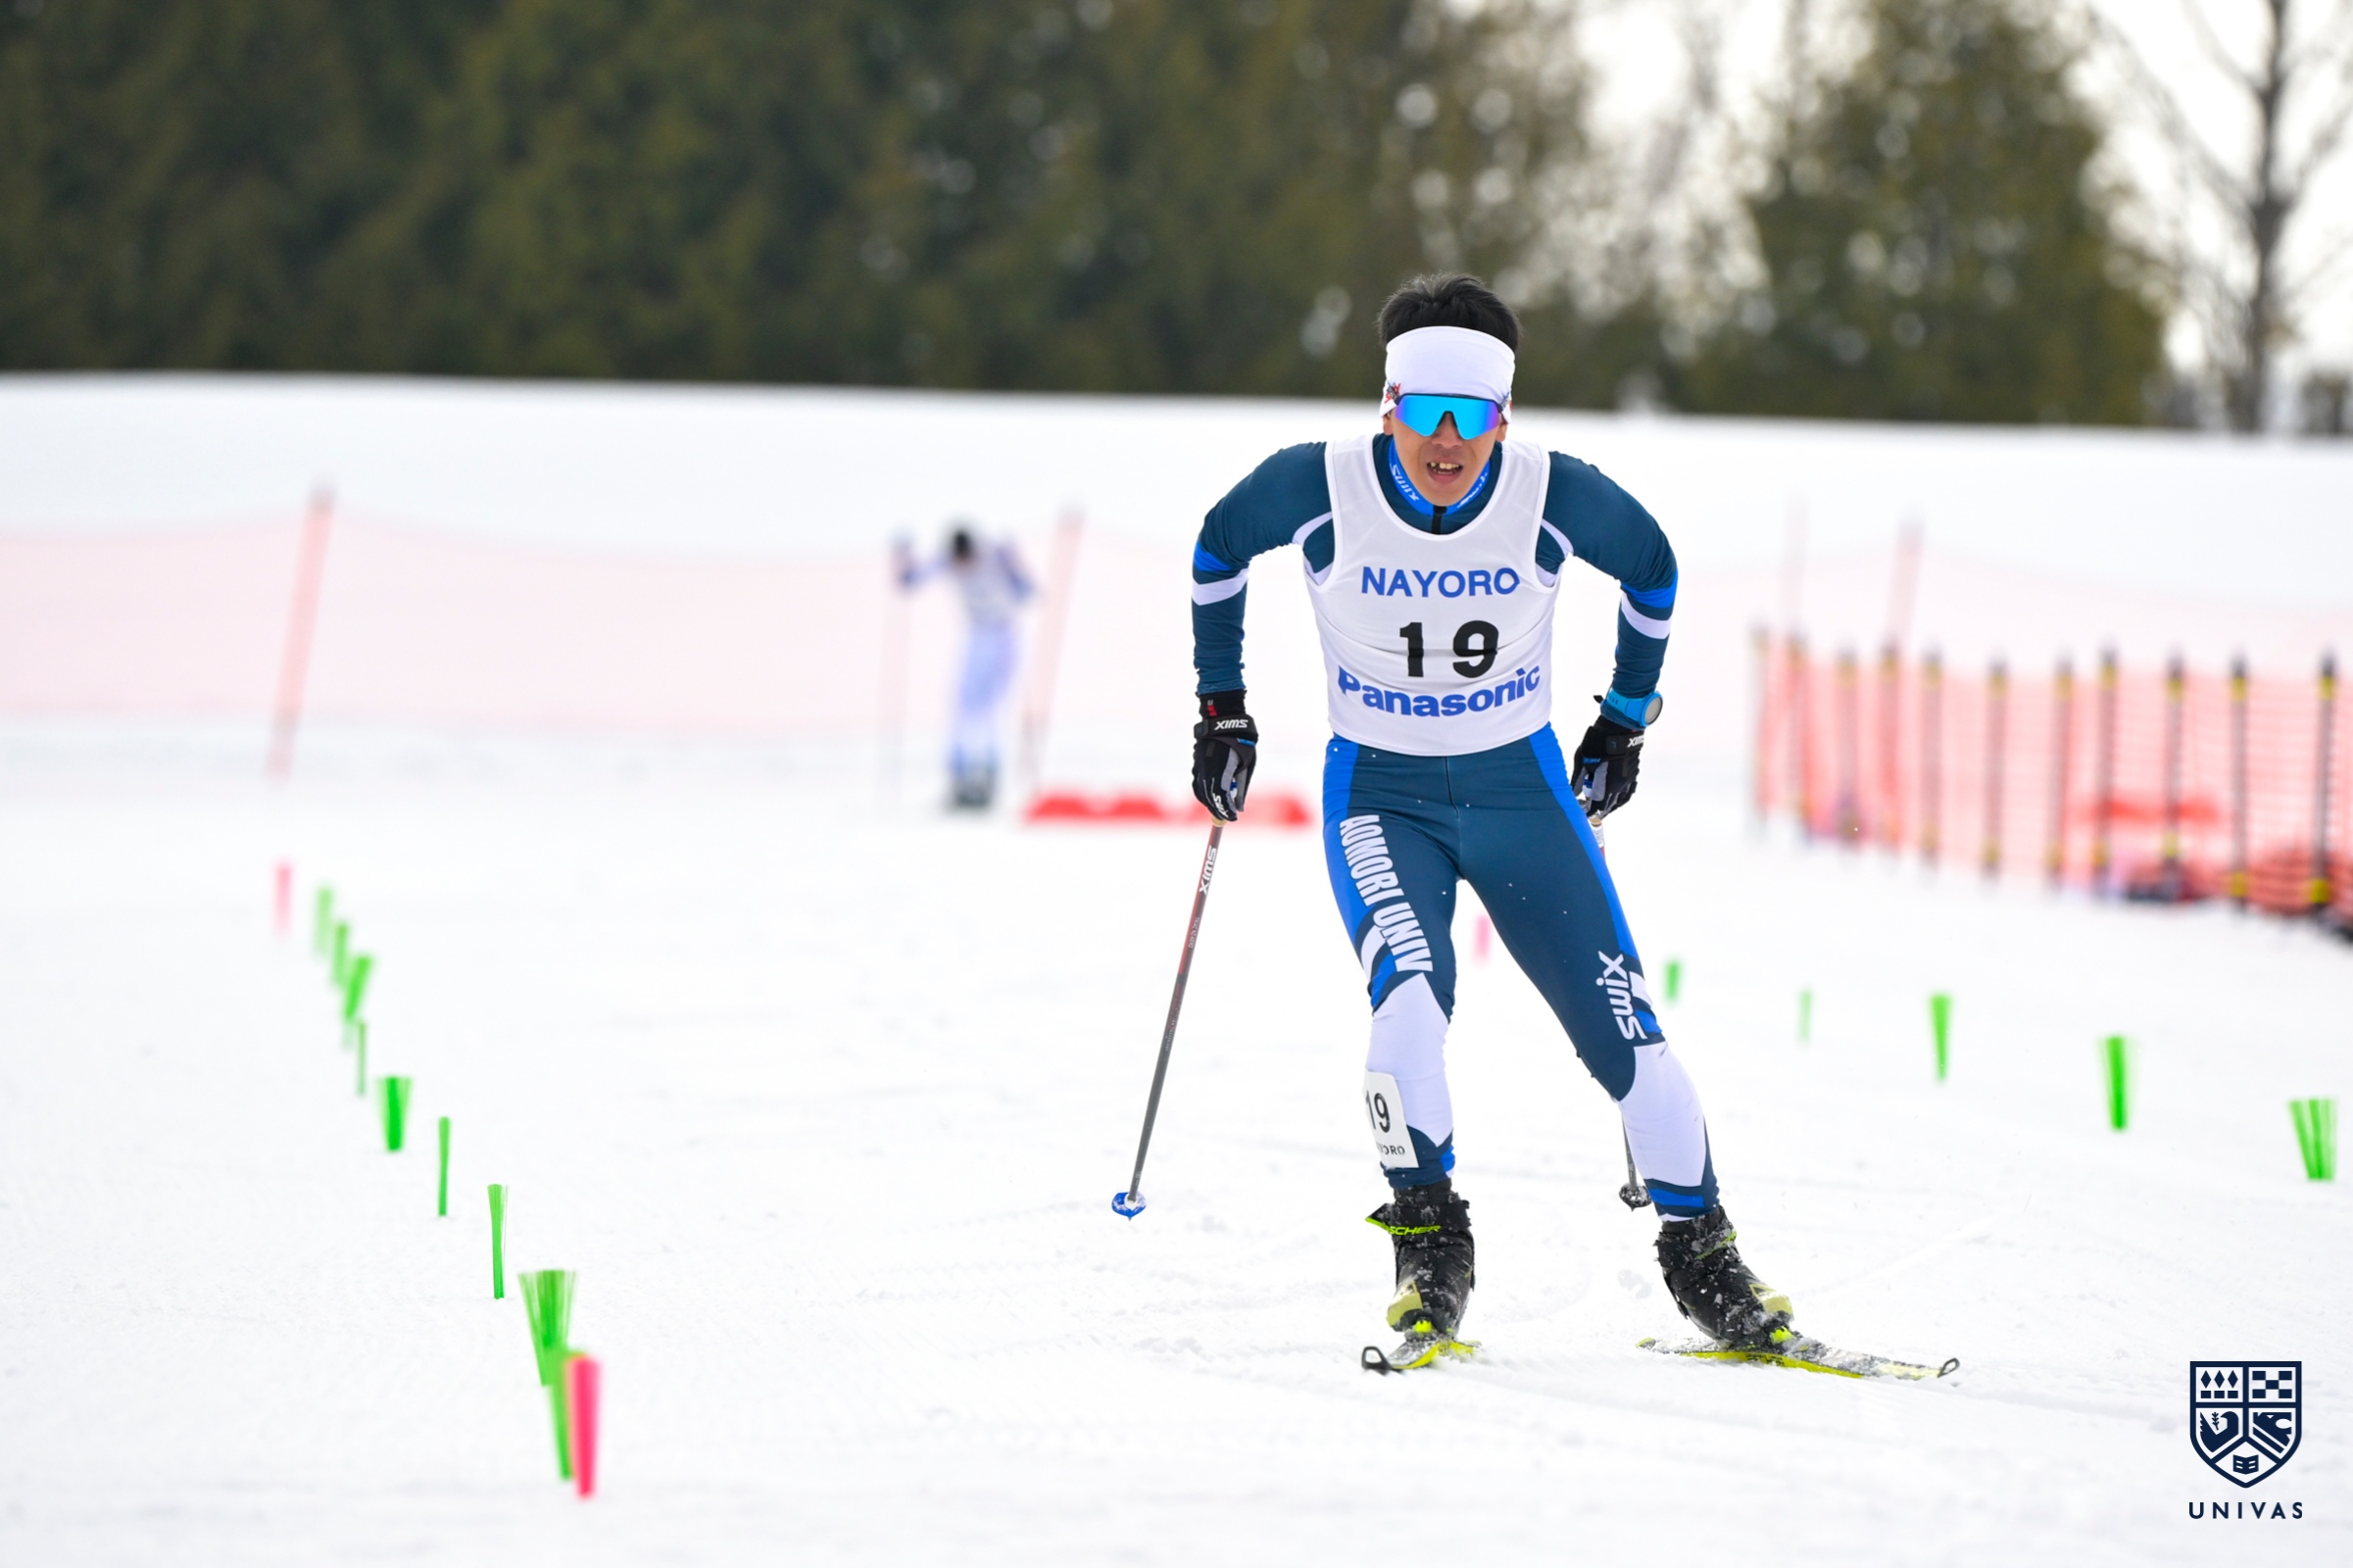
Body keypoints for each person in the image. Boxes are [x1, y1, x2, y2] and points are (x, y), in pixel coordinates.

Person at [1187, 273, 1790, 1370]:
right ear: (1389, 407)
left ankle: (1705, 1259)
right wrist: (1221, 707)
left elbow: (1651, 569)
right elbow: (1218, 548)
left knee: (1626, 1032)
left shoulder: (1550, 493)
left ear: (1503, 419)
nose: (1447, 441)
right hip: (1383, 798)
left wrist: (1624, 720)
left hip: (1522, 796)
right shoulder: (1317, 485)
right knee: (1409, 1001)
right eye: (1425, 412)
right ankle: (1429, 1248)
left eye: (1471, 416)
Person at [897, 523, 1034, 809]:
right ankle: (960, 775)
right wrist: (902, 555)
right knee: (961, 706)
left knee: (990, 707)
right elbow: (910, 581)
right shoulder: (948, 559)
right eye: (959, 561)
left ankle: (988, 774)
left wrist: (1015, 562)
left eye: (967, 559)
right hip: (977, 635)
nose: (964, 566)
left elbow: (1026, 591)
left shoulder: (994, 555)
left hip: (1003, 633)